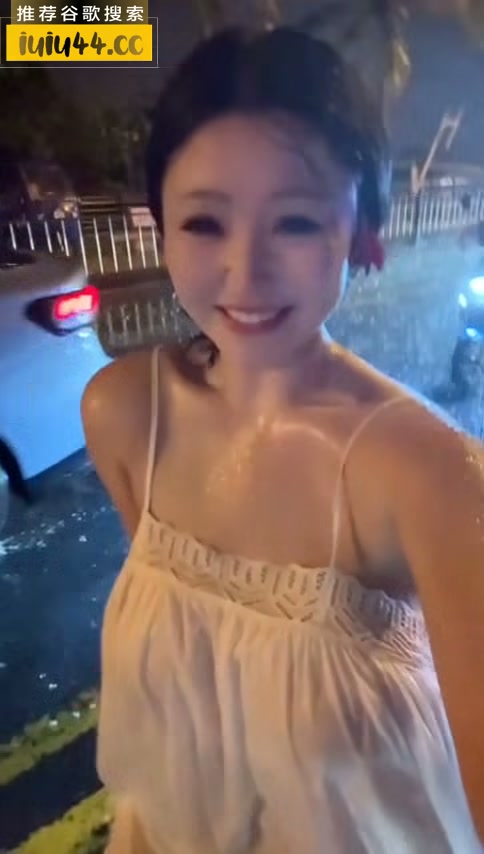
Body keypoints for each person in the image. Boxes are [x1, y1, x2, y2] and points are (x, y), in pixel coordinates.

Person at [82, 26, 484, 854]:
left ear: (361, 234)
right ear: (160, 228)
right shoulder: (124, 414)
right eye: (204, 222)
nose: (246, 271)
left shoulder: (427, 474)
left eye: (296, 223)